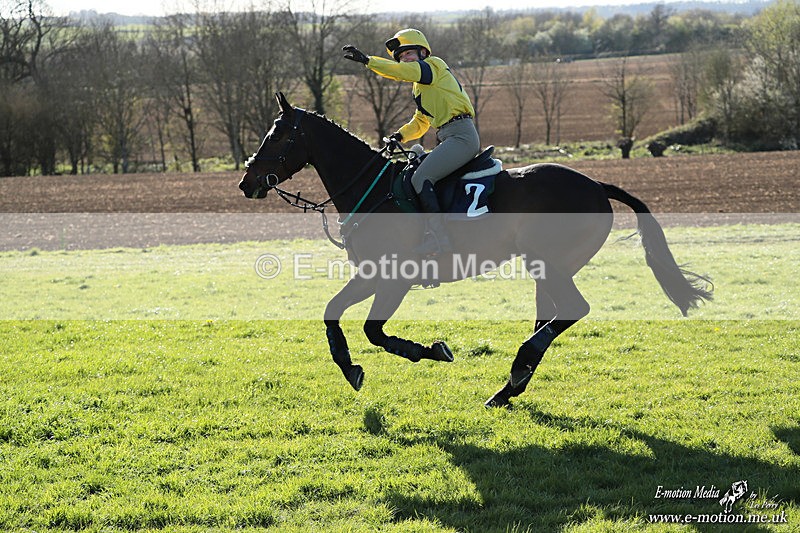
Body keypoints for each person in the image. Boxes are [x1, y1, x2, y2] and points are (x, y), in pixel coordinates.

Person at [343, 28, 480, 255]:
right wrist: (399, 135)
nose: (404, 59)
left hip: (462, 137)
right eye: (400, 57)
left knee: (421, 178)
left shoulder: (433, 66)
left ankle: (440, 239)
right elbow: (421, 121)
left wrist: (368, 61)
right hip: (448, 137)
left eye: (408, 53)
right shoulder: (420, 87)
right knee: (412, 172)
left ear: (423, 52)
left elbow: (400, 72)